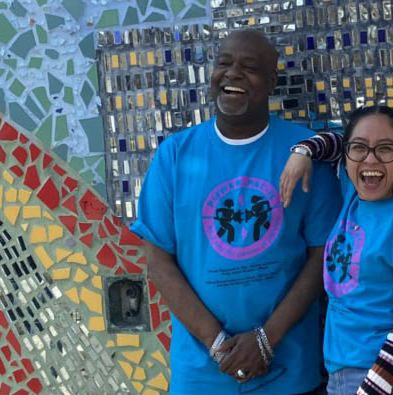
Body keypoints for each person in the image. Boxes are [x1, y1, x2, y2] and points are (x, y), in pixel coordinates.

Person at [131, 29, 341, 394]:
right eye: (224, 63)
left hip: (288, 371)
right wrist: (217, 345)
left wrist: (266, 339)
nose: (232, 74)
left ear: (272, 81)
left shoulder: (303, 154)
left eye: (250, 67)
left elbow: (323, 254)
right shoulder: (175, 155)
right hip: (201, 375)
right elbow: (158, 258)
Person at [279, 106, 393, 395]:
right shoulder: (353, 194)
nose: (370, 159)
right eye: (359, 149)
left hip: (386, 379)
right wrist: (303, 151)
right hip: (343, 376)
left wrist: (371, 389)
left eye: (386, 149)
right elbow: (335, 143)